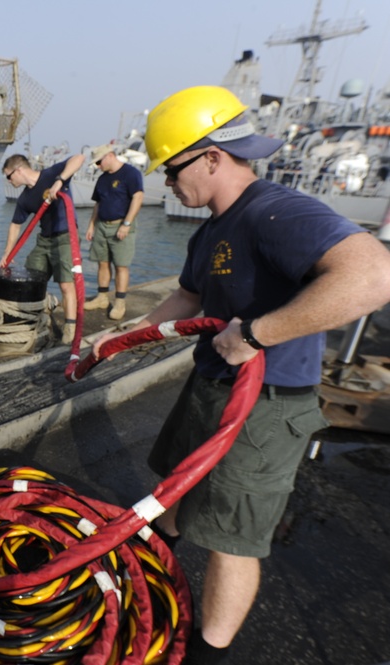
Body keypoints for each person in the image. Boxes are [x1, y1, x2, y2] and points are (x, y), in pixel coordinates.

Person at [95, 85, 390, 665]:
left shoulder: (277, 212)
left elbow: (374, 275)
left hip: (265, 405)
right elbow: (189, 295)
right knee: (176, 486)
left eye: (173, 168)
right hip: (209, 386)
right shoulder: (211, 227)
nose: (166, 184)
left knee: (231, 539)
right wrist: (126, 334)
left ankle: (208, 652)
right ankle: (149, 568)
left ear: (211, 156)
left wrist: (258, 334)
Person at [0, 152, 85, 344]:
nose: (8, 180)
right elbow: (15, 225)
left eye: (8, 176)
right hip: (44, 240)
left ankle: (70, 327)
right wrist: (7, 252)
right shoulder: (24, 199)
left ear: (19, 170)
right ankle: (39, 315)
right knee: (30, 279)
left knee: (65, 283)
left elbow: (79, 158)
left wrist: (59, 181)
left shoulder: (52, 174)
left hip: (66, 237)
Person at [82, 144, 144, 320]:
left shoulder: (130, 173)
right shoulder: (102, 179)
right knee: (102, 262)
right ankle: (102, 297)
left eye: (99, 162)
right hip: (102, 225)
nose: (98, 165)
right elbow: (98, 203)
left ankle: (119, 302)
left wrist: (126, 223)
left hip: (121, 225)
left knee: (121, 265)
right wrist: (91, 225)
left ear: (109, 156)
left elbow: (138, 197)